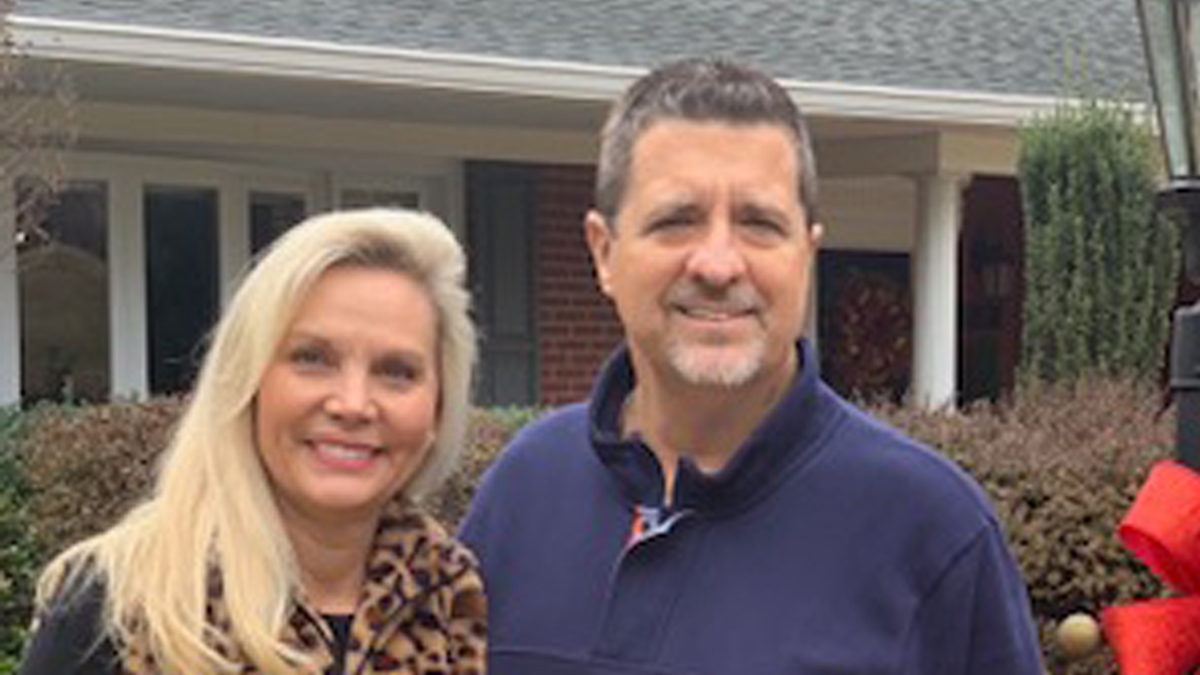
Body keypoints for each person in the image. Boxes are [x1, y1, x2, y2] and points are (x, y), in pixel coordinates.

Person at [459, 58, 1042, 674]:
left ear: (806, 255)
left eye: (759, 224)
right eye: (676, 221)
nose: (718, 264)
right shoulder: (523, 490)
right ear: (604, 253)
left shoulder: (931, 529)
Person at [20, 209, 487, 674]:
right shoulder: (117, 606)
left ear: (438, 407)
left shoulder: (452, 598)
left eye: (396, 372)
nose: (353, 403)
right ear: (248, 381)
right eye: (312, 358)